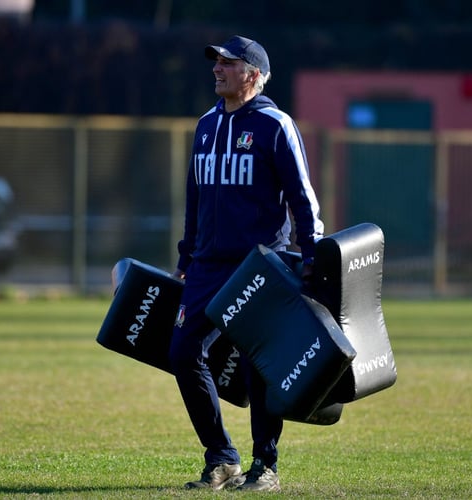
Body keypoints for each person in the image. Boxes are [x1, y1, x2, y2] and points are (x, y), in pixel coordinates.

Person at [168, 35, 324, 492]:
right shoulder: (205, 125)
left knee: (259, 366)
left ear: (253, 75)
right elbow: (194, 199)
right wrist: (185, 255)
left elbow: (302, 197)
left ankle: (265, 466)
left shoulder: (276, 125)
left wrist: (311, 256)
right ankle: (221, 457)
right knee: (181, 352)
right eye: (216, 62)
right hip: (207, 266)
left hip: (258, 266)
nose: (217, 69)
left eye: (228, 63)